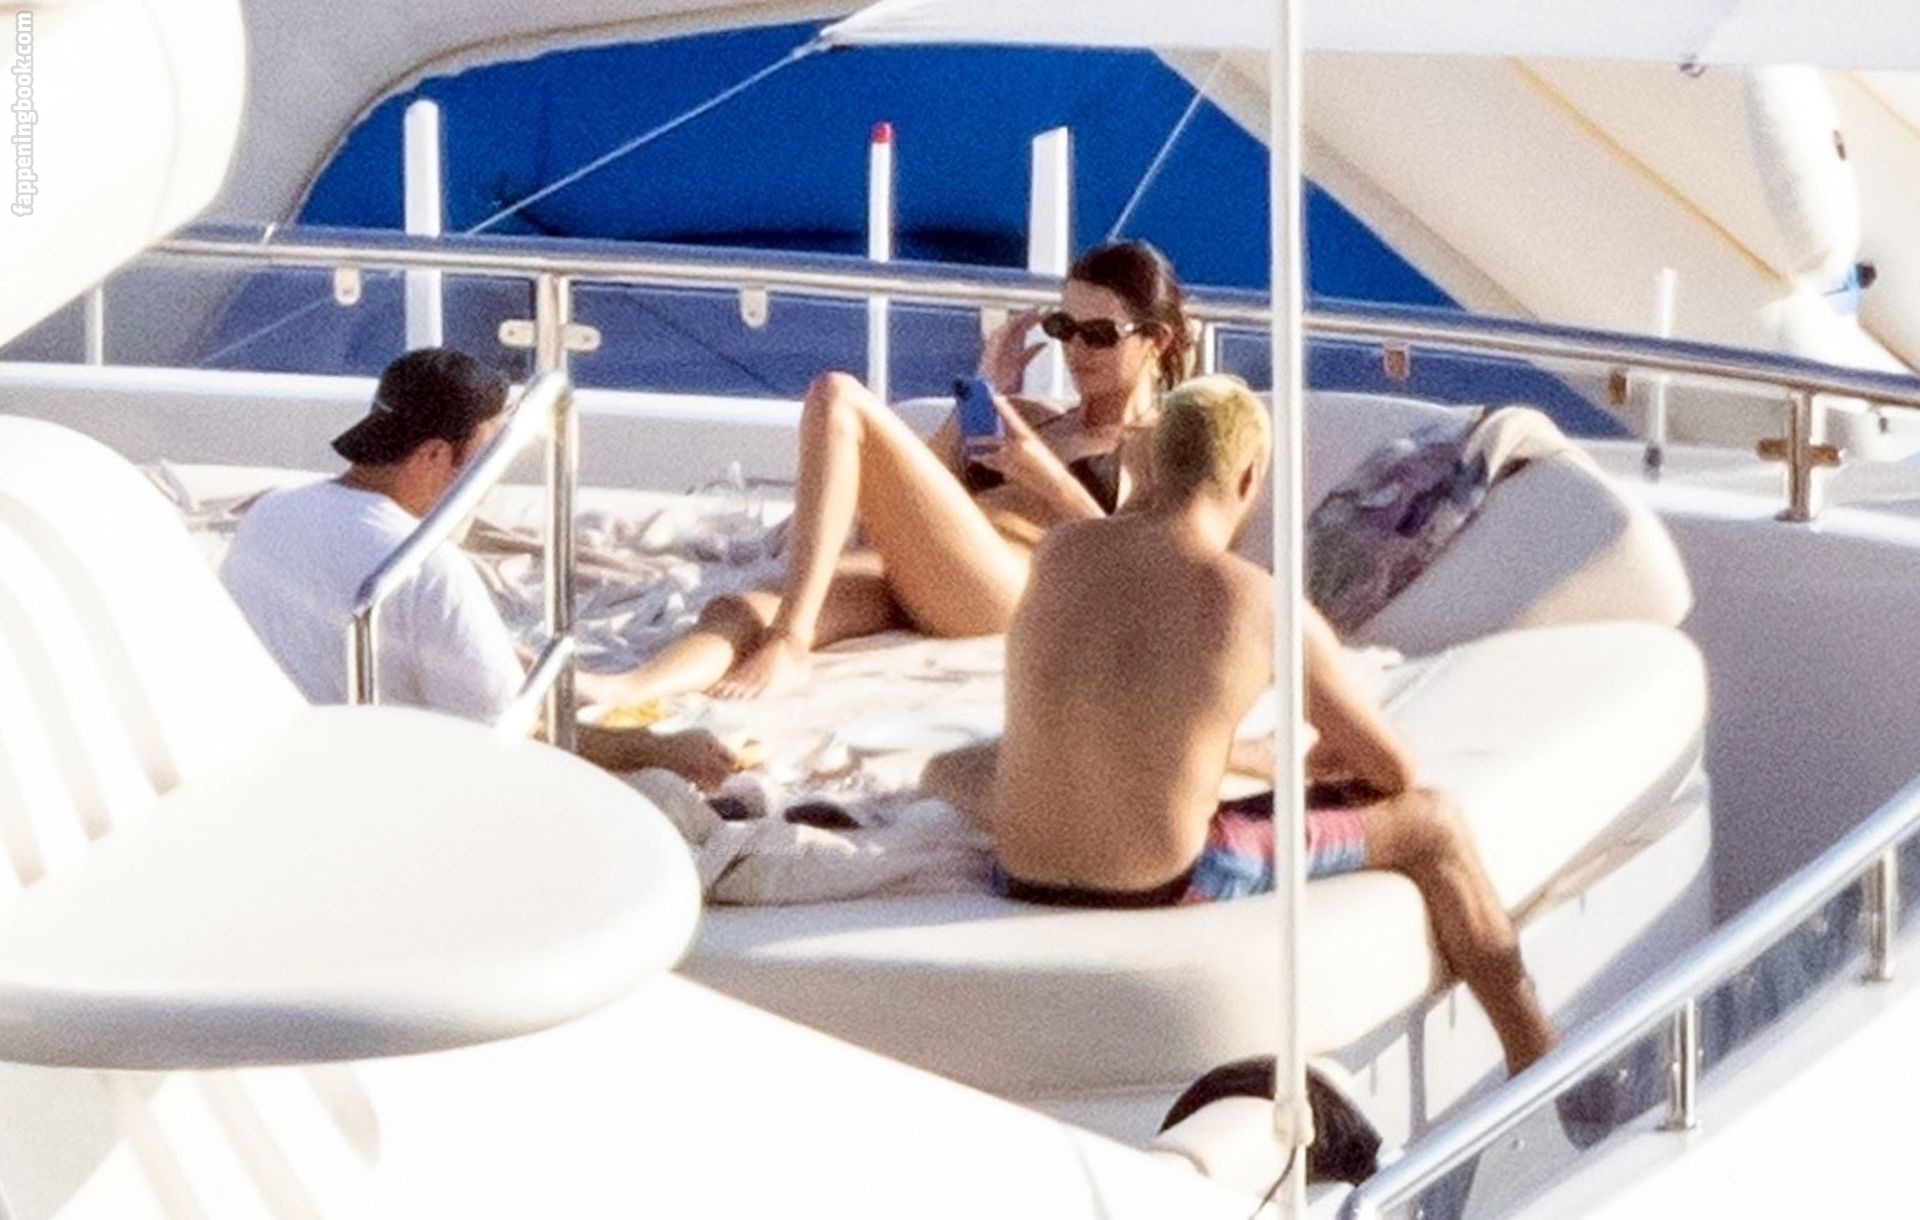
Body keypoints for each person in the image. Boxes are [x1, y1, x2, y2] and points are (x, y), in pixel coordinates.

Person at [924, 374, 1557, 1077]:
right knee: (1435, 822)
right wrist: (1306, 760)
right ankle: (1538, 1056)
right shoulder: (1260, 603)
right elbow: (1392, 773)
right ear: (1250, 476)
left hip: (1020, 872)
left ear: (1151, 464)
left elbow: (1134, 711)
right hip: (1163, 880)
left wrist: (1251, 757)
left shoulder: (1061, 554)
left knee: (953, 766)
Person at [615, 239, 1195, 703]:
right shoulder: (1033, 417)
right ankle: (626, 692)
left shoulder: (1159, 443)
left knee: (838, 395)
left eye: (1100, 335)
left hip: (1011, 587)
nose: (1077, 350)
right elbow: (903, 495)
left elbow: (1147, 567)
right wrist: (981, 397)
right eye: (1065, 328)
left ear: (1156, 340)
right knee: (743, 608)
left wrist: (1047, 476)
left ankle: (791, 643)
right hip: (925, 571)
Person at [220, 347, 740, 789]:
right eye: (486, 457)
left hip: (268, 773)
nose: (490, 479)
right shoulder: (425, 568)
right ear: (432, 456)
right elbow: (514, 737)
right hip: (383, 793)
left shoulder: (269, 513)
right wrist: (656, 749)